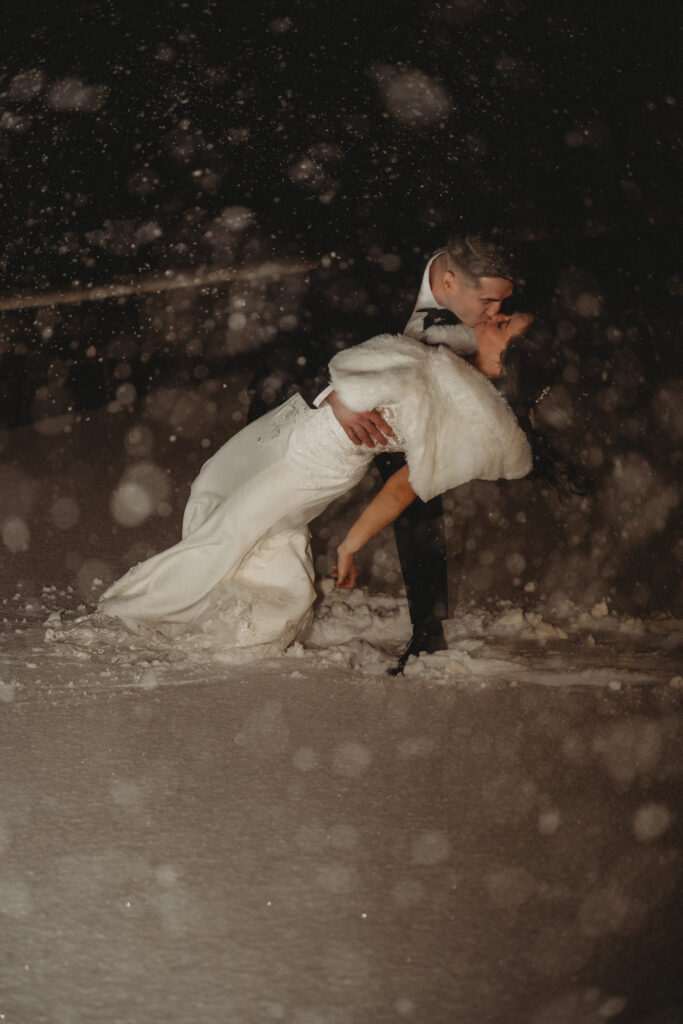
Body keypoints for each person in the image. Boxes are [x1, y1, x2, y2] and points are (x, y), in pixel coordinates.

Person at [91, 313, 536, 659]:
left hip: (318, 462)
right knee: (215, 481)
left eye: (503, 325)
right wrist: (335, 394)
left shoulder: (471, 423)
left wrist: (349, 546)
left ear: (504, 360)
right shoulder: (454, 354)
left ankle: (140, 610)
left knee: (230, 530)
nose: (494, 318)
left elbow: (404, 487)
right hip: (296, 423)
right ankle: (233, 594)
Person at [317, 233, 519, 672]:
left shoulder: (497, 314)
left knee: (421, 495)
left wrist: (493, 365)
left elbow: (501, 387)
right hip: (324, 401)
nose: (496, 312)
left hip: (413, 413)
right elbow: (300, 333)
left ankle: (428, 635)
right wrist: (331, 394)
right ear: (448, 282)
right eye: (487, 301)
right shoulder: (369, 273)